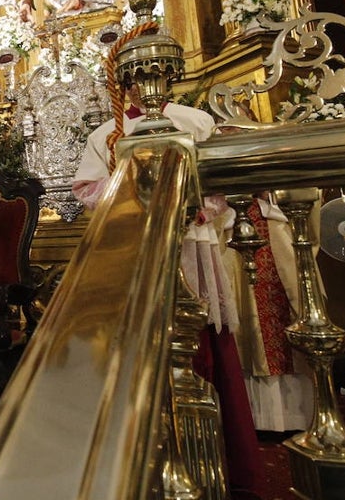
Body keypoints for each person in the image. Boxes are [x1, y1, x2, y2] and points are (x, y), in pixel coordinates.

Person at [72, 85, 270, 499]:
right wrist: (133, 202)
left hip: (191, 244)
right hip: (136, 247)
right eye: (134, 74)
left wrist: (197, 208)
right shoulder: (108, 132)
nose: (143, 83)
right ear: (122, 80)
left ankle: (215, 460)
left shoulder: (193, 120)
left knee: (201, 344)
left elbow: (221, 181)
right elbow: (86, 189)